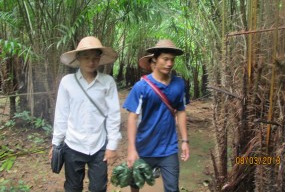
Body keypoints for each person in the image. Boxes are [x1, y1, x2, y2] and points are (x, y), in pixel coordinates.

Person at [49, 36, 122, 192]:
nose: (91, 62)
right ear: (78, 58)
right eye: (86, 57)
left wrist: (112, 146)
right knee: (73, 187)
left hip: (99, 145)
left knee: (98, 188)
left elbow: (113, 116)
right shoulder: (67, 82)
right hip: (73, 144)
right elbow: (61, 115)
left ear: (100, 59)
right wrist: (56, 143)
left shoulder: (107, 82)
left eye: (95, 58)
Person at [123, 39, 190, 192]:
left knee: (173, 188)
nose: (170, 63)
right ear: (155, 59)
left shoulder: (179, 84)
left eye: (172, 60)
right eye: (165, 59)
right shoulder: (141, 86)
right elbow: (132, 118)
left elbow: (181, 111)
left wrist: (185, 141)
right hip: (143, 148)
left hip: (169, 149)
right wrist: (131, 149)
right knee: (135, 184)